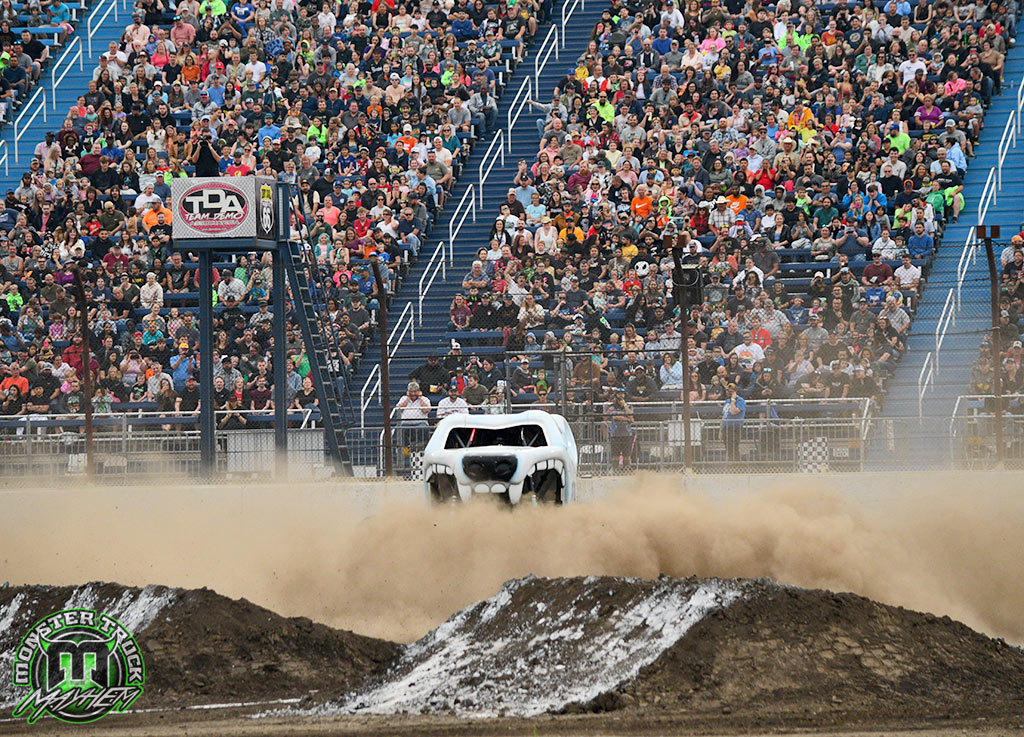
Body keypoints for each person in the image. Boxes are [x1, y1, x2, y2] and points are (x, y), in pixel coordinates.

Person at [608, 392, 635, 468]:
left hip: (627, 434)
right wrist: (627, 418)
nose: (621, 396)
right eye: (619, 394)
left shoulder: (629, 406)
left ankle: (626, 471)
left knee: (626, 455)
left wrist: (625, 406)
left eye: (622, 394)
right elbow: (615, 417)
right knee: (616, 455)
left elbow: (632, 418)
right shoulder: (612, 407)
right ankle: (616, 471)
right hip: (615, 435)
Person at [721, 382, 745, 462]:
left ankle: (736, 464)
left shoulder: (740, 401)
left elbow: (733, 412)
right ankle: (731, 462)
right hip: (726, 427)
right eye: (727, 391)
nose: (728, 392)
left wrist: (733, 400)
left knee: (733, 447)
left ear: (735, 392)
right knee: (728, 448)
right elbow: (724, 416)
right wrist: (720, 430)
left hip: (735, 427)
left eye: (731, 391)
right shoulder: (727, 401)